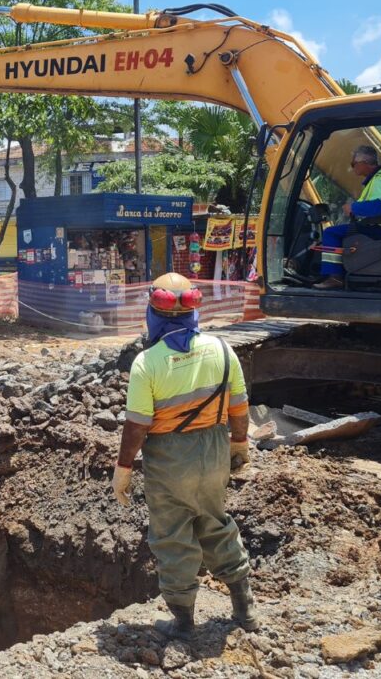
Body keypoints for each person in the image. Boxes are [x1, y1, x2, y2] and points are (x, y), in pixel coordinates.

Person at [113, 272, 257, 639]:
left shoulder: (147, 363)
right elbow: (240, 406)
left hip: (169, 457)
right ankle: (245, 611)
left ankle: (183, 623)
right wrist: (239, 444)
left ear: (153, 312)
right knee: (216, 521)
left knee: (173, 535)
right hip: (213, 452)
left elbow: (136, 426)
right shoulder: (223, 349)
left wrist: (124, 468)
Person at [314, 145, 381, 290]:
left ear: (364, 163)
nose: (352, 167)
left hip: (380, 229)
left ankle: (334, 277)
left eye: (353, 164)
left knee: (331, 233)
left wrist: (353, 208)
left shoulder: (379, 180)